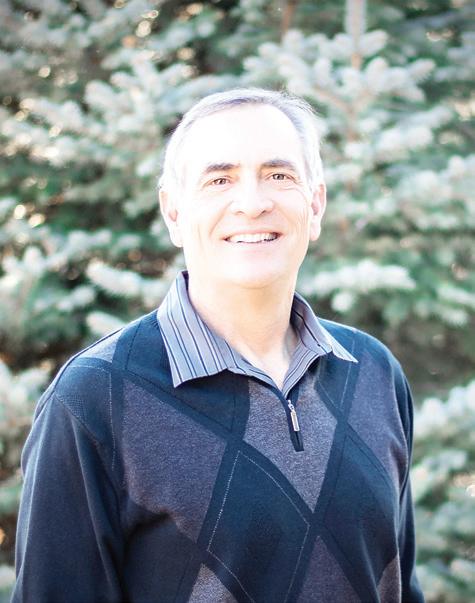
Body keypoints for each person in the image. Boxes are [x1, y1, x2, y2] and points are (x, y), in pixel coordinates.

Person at [12, 88, 424, 603]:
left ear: (315, 204)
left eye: (279, 175)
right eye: (219, 180)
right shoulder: (95, 398)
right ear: (174, 212)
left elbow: (400, 586)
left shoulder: (374, 372)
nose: (252, 203)